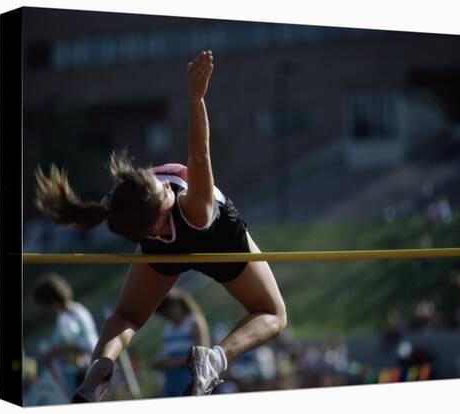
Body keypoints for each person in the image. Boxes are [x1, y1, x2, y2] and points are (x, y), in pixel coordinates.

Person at [34, 50, 287, 401]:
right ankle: (215, 359)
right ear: (158, 217)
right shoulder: (194, 206)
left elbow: (108, 212)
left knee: (126, 316)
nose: (167, 184)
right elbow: (200, 154)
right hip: (217, 237)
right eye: (165, 191)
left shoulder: (124, 203)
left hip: (161, 249)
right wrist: (196, 98)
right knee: (272, 314)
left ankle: (98, 371)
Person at [31, 272, 99, 398]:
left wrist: (57, 350)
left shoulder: (76, 314)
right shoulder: (62, 318)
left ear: (52, 302)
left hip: (87, 377)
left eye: (45, 307)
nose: (45, 312)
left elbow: (90, 346)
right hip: (75, 379)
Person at [153, 288, 210, 397]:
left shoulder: (194, 322)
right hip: (170, 383)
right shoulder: (167, 328)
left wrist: (171, 362)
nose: (166, 316)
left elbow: (202, 356)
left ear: (175, 305)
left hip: (190, 380)